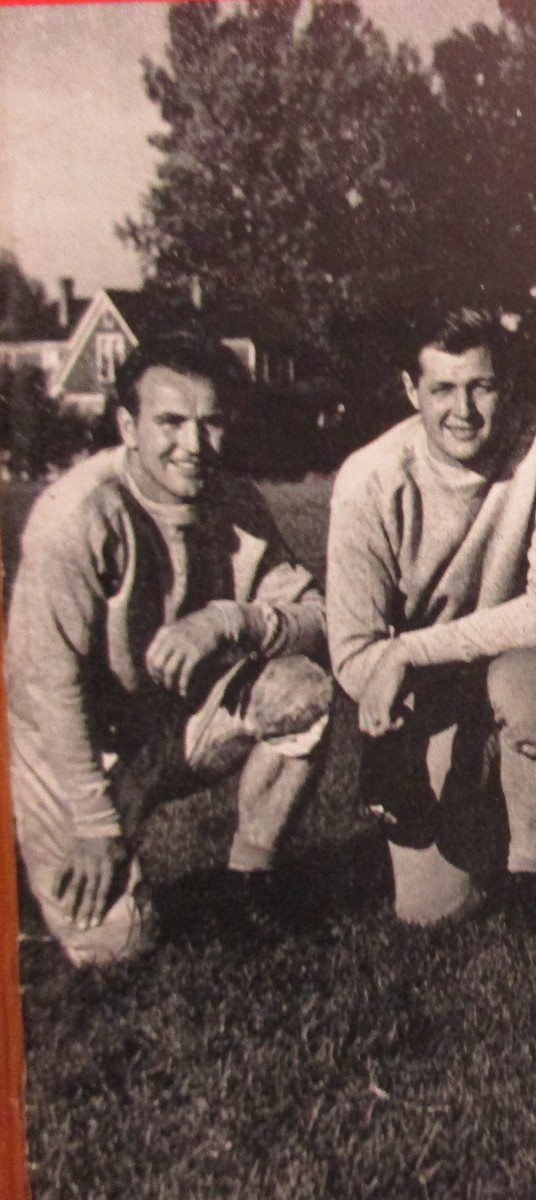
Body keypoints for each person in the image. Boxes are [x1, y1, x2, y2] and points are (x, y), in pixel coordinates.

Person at [5, 331, 333, 965]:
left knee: (304, 692)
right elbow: (52, 690)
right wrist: (96, 825)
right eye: (171, 422)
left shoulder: (233, 499)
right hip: (69, 742)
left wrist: (226, 619)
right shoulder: (75, 517)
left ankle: (249, 883)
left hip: (168, 721)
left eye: (210, 424)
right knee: (117, 942)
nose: (193, 445)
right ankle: (26, 854)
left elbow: (318, 616)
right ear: (128, 425)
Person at [327, 307, 536, 936]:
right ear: (409, 390)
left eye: (482, 386)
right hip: (426, 692)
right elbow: (353, 649)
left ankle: (530, 874)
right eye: (442, 389)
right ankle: (412, 773)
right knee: (431, 911)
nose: (464, 410)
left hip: (516, 658)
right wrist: (396, 672)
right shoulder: (369, 478)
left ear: (507, 384)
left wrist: (407, 650)